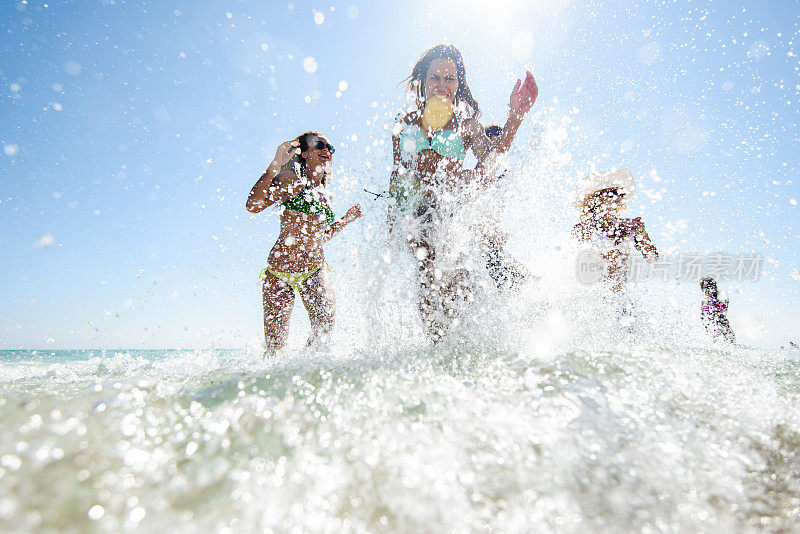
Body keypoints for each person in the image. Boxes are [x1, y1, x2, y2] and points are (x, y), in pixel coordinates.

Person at [389, 43, 538, 342]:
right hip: (418, 214)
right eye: (435, 78)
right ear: (423, 81)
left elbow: (491, 161)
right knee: (428, 264)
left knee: (459, 283)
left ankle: (460, 347)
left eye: (450, 78)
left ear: (459, 83)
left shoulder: (467, 125)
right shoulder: (405, 123)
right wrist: (392, 218)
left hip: (453, 211)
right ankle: (435, 344)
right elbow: (397, 174)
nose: (442, 85)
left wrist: (515, 118)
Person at [246, 131, 362, 356]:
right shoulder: (291, 180)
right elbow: (253, 205)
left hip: (315, 268)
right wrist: (275, 164)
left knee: (324, 330)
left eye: (330, 148)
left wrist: (346, 220)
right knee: (275, 348)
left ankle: (306, 374)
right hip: (280, 271)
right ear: (305, 152)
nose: (326, 151)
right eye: (319, 145)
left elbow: (320, 236)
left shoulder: (326, 193)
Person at [572, 169, 659, 294]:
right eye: (613, 193)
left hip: (619, 300)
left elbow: (653, 258)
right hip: (590, 298)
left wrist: (641, 233)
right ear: (598, 198)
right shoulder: (583, 229)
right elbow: (575, 264)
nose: (618, 197)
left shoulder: (629, 227)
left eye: (622, 194)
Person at [474, 124, 530, 291]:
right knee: (516, 283)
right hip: (477, 253)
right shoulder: (475, 177)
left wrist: (495, 232)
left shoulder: (499, 181)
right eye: (493, 140)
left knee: (523, 282)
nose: (499, 147)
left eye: (500, 141)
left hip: (491, 249)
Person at [699, 276, 736, 343]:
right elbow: (702, 317)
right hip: (716, 326)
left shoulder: (720, 296)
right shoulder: (705, 301)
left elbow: (703, 316)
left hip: (720, 326)